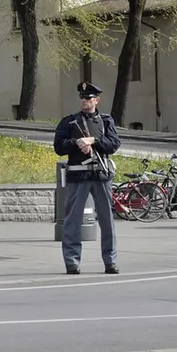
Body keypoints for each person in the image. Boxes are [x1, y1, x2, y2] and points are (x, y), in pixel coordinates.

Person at [53, 82, 122, 275]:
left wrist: (94, 141)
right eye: (83, 98)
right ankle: (72, 262)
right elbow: (59, 146)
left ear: (96, 100)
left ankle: (110, 261)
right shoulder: (69, 122)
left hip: (100, 175)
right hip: (78, 176)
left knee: (107, 222)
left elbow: (114, 144)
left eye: (89, 98)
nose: (85, 101)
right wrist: (76, 142)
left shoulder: (106, 121)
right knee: (72, 222)